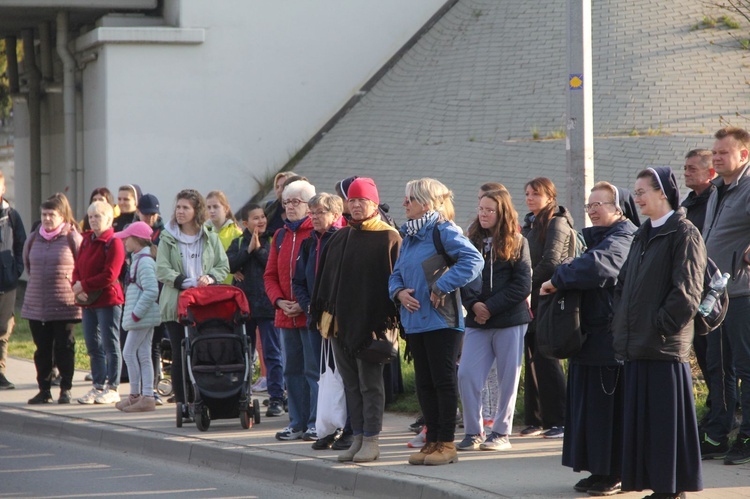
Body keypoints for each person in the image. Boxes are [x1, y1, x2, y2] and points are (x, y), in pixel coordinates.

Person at [540, 182, 639, 496]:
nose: (593, 210)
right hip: (588, 339)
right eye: (590, 204)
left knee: (608, 411)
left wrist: (557, 279)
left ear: (619, 207)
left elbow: (599, 267)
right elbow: (576, 262)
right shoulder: (595, 237)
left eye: (601, 204)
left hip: (608, 341)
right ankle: (599, 470)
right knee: (589, 410)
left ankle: (616, 471)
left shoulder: (625, 236)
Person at [613, 167, 705, 498]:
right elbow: (623, 285)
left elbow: (688, 292)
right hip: (638, 344)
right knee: (647, 427)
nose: (636, 198)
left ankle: (673, 488)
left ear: (662, 193)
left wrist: (658, 326)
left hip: (663, 348)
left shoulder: (683, 232)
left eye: (641, 192)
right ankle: (659, 487)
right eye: (635, 193)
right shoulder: (642, 234)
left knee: (666, 426)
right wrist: (621, 322)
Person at [389, 178, 483, 466]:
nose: (404, 204)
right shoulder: (410, 236)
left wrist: (442, 285)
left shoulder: (443, 230)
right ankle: (431, 442)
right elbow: (395, 274)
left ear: (426, 204)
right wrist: (399, 292)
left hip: (442, 321)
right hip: (416, 320)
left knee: (442, 381)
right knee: (424, 383)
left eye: (409, 200)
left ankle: (446, 442)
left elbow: (473, 259)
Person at [312, 178, 402, 463]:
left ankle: (372, 439)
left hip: (372, 327)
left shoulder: (388, 237)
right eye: (352, 200)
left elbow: (393, 283)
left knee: (370, 385)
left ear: (374, 203)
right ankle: (359, 436)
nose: (356, 205)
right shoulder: (340, 237)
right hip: (340, 325)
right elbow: (325, 283)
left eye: (362, 200)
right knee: (351, 384)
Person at [457, 189, 532, 452]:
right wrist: (473, 305)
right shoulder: (470, 240)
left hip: (510, 320)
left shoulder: (518, 241)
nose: (484, 214)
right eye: (481, 209)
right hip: (478, 321)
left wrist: (488, 306)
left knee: (507, 379)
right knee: (466, 374)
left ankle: (500, 432)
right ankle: (473, 431)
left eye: (490, 210)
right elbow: (463, 278)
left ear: (502, 212)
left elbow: (522, 285)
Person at [700, 126, 750, 464]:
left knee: (745, 365)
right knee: (719, 368)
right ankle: (718, 434)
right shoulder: (718, 188)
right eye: (715, 152)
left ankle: (747, 435)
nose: (716, 157)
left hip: (742, 294)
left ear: (743, 155)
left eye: (723, 152)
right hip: (714, 296)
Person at [156, 189, 229, 413]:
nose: (180, 211)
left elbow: (223, 266)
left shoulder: (209, 235)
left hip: (204, 304)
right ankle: (183, 402)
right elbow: (161, 269)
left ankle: (206, 397)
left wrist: (210, 277)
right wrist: (184, 282)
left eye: (185, 207)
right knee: (180, 353)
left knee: (202, 351)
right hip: (177, 302)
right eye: (178, 207)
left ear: (196, 210)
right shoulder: (167, 236)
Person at [263, 179, 317, 441]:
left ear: (310, 206)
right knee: (291, 371)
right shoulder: (280, 235)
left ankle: (316, 422)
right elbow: (270, 276)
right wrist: (279, 301)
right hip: (285, 315)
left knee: (313, 370)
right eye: (286, 202)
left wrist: (303, 304)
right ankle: (296, 422)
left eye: (296, 201)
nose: (290, 207)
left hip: (309, 315)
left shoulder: (317, 233)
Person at [292, 193, 346, 448]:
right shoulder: (307, 243)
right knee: (320, 373)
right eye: (311, 213)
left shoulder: (342, 240)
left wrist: (330, 309)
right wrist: (309, 307)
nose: (313, 217)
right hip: (315, 319)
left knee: (343, 373)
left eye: (319, 212)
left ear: (335, 215)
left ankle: (346, 426)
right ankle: (325, 426)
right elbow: (298, 282)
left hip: (339, 319)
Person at [519, 177, 571, 438]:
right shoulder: (530, 223)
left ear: (550, 197)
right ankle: (537, 418)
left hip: (548, 297)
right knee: (532, 358)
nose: (529, 198)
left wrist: (524, 284)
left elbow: (551, 262)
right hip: (530, 297)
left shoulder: (556, 223)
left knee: (547, 357)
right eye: (527, 193)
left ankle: (560, 419)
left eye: (535, 194)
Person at [227, 203, 284, 417]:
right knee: (245, 354)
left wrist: (257, 250)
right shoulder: (238, 242)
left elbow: (272, 265)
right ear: (245, 223)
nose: (260, 221)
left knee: (273, 354)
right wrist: (246, 251)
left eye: (262, 217)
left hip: (267, 306)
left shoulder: (272, 240)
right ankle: (243, 395)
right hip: (244, 308)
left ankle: (277, 396)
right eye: (255, 218)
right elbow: (229, 264)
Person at [22, 193, 81, 403]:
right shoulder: (34, 237)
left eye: (51, 214)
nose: (47, 219)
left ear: (62, 216)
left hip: (64, 304)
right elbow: (28, 265)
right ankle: (44, 389)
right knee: (42, 350)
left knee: (65, 347)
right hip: (37, 303)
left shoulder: (71, 236)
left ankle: (65, 388)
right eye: (44, 214)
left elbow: (81, 265)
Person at [72, 200, 126, 404]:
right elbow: (77, 267)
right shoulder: (86, 241)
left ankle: (113, 386)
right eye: (91, 216)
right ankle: (97, 385)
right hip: (88, 301)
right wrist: (77, 285)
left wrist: (83, 285)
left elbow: (110, 274)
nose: (94, 220)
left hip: (108, 300)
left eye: (98, 216)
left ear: (110, 218)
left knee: (110, 344)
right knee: (92, 344)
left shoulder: (114, 242)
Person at [680, 148, 716, 424]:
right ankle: (714, 409)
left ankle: (723, 413)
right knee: (704, 354)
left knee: (720, 359)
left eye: (693, 168)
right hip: (696, 290)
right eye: (686, 168)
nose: (686, 172)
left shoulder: (716, 199)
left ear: (710, 172)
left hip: (717, 289)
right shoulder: (688, 204)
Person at [113, 222, 160, 412]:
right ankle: (144, 395)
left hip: (142, 317)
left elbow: (151, 290)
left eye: (127, 238)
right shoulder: (139, 259)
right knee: (142, 354)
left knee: (129, 352)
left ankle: (139, 395)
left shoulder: (144, 262)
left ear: (137, 240)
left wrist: (136, 313)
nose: (124, 241)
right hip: (143, 316)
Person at [136, 193, 166, 404]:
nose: (149, 218)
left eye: (152, 214)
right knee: (140, 346)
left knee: (154, 344)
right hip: (140, 295)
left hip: (160, 294)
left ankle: (152, 388)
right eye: (145, 214)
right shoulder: (135, 233)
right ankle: (141, 389)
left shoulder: (163, 234)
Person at [0, 171, 25, 390]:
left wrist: (15, 270)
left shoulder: (12, 216)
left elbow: (21, 245)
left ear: (3, 188)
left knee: (3, 328)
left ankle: (0, 372)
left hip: (7, 282)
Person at [206, 190, 242, 284]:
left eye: (215, 207)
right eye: (209, 207)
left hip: (230, 285)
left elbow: (240, 258)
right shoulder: (202, 232)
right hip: (210, 285)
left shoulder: (236, 232)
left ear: (226, 208)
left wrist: (234, 269)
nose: (211, 210)